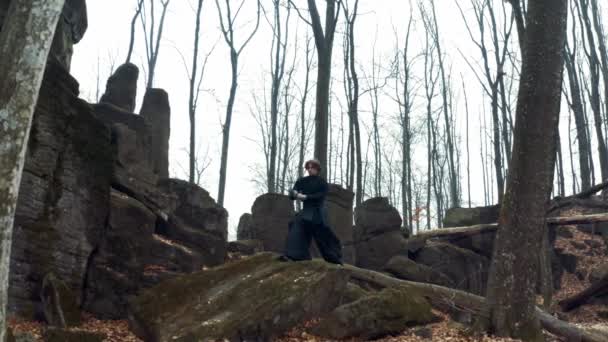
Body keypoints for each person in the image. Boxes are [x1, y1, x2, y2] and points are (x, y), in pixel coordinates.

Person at [279, 159, 343, 265]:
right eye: (308, 168)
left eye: (312, 167)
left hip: (318, 214)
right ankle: (294, 255)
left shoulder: (322, 183)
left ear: (317, 169)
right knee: (296, 227)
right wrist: (293, 192)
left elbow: (320, 196)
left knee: (323, 239)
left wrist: (305, 197)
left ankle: (335, 259)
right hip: (306, 213)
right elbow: (292, 194)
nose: (310, 169)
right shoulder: (302, 181)